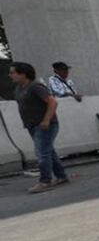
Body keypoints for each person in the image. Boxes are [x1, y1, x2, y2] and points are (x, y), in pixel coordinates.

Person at [10, 61, 69, 193]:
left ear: (23, 74)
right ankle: (61, 176)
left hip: (45, 125)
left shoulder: (35, 86)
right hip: (32, 125)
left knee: (42, 152)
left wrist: (46, 120)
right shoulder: (19, 89)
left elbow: (52, 102)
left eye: (13, 72)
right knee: (48, 151)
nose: (10, 75)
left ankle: (45, 181)